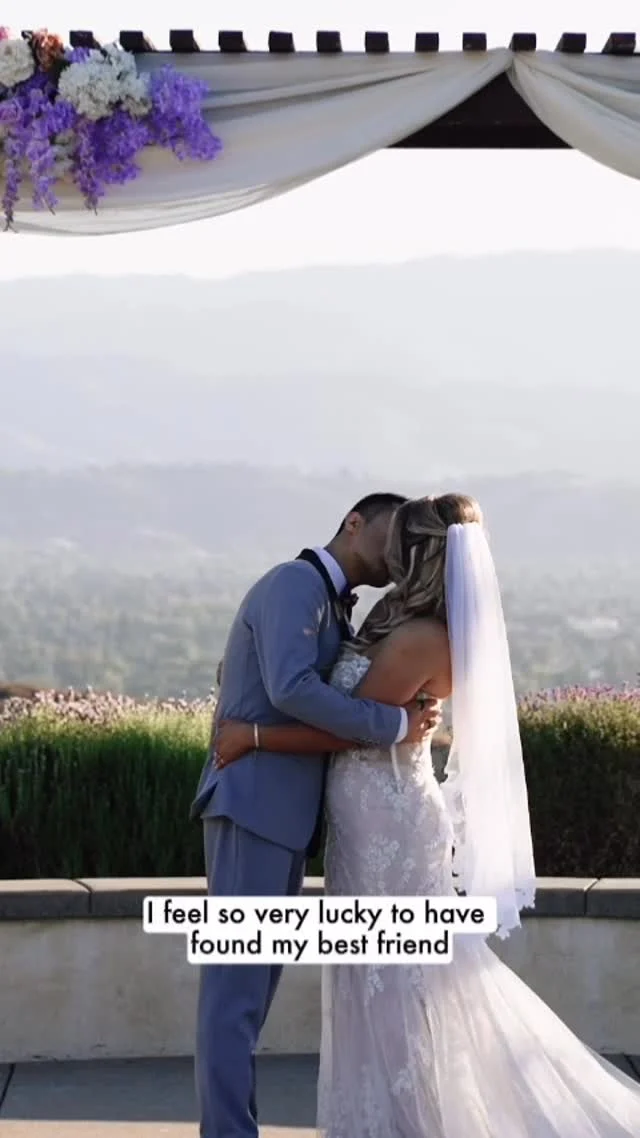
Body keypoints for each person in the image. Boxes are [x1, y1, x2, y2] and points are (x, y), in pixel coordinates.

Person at [214, 493, 640, 1138]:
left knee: (392, 985)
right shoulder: (369, 614)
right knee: (382, 978)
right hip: (367, 815)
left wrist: (254, 736)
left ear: (420, 557)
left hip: (385, 820)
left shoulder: (416, 638)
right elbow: (328, 697)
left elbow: (353, 731)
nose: (387, 553)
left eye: (398, 544)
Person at [189, 491, 441, 1138]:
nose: (395, 555)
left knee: (250, 994)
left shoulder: (332, 602)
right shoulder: (292, 583)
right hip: (253, 806)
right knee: (235, 997)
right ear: (352, 522)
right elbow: (290, 689)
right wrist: (392, 724)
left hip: (283, 814)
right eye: (388, 538)